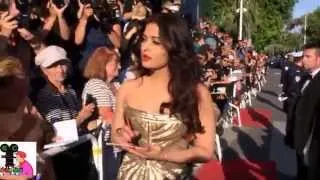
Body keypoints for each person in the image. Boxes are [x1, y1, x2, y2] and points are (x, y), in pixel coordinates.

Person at [112, 14, 216, 179]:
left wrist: (163, 155)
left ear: (174, 46)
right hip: (130, 174)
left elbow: (205, 150)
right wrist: (120, 135)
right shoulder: (127, 89)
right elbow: (116, 135)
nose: (145, 47)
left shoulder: (196, 92)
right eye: (144, 39)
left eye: (156, 42)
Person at [82, 47, 122, 179]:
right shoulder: (96, 84)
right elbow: (107, 116)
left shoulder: (116, 85)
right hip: (105, 144)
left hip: (119, 141)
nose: (120, 66)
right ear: (103, 65)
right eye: (116, 63)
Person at [35, 45, 94, 126]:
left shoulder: (71, 91)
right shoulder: (45, 95)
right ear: (44, 70)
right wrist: (82, 117)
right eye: (54, 66)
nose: (60, 70)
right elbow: (59, 133)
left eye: (63, 64)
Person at [288, 42, 320, 180]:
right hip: (300, 135)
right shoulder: (306, 76)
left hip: (313, 140)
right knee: (300, 170)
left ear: (319, 59)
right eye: (303, 56)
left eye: (308, 56)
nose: (303, 59)